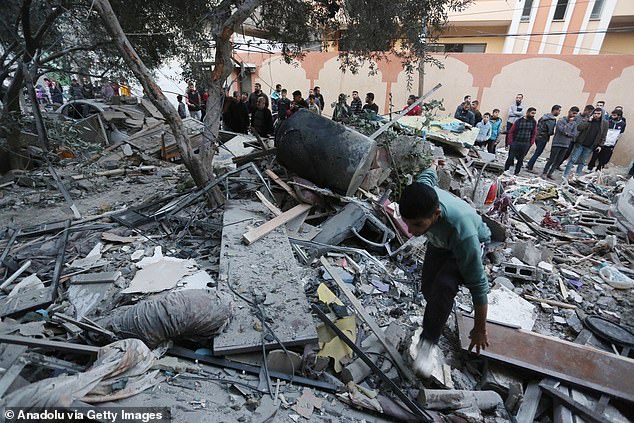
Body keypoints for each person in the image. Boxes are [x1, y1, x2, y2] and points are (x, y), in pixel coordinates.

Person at [399, 159, 490, 378]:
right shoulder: (424, 194)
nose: (410, 231)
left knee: (444, 286)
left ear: (436, 215)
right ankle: (440, 314)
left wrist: (479, 329)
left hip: (470, 239)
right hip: (440, 241)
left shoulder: (463, 234)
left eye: (417, 225)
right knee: (429, 289)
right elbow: (427, 177)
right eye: (407, 223)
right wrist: (433, 164)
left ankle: (427, 345)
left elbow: (479, 285)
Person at [563, 108, 608, 179]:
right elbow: (579, 127)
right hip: (580, 143)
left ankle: (577, 176)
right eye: (595, 113)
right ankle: (565, 175)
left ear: (601, 114)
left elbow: (603, 135)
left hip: (590, 146)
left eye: (598, 114)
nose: (596, 115)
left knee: (582, 162)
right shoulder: (587, 119)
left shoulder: (604, 123)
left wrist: (600, 145)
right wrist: (588, 121)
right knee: (573, 159)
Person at [542, 107, 579, 179]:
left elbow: (574, 134)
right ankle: (544, 172)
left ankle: (550, 173)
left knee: (558, 160)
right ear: (569, 112)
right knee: (552, 159)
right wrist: (569, 125)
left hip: (566, 144)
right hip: (557, 143)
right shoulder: (561, 120)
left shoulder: (575, 123)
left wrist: (568, 134)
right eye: (573, 113)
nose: (574, 115)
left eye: (575, 114)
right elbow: (562, 130)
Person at [526, 105, 561, 172]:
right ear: (555, 110)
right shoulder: (551, 120)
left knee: (537, 152)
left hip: (537, 136)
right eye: (559, 111)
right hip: (543, 138)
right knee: (538, 152)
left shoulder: (544, 117)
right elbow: (550, 131)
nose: (559, 112)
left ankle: (529, 164)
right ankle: (530, 166)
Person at [505, 107, 537, 175]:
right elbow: (511, 131)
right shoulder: (519, 121)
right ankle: (505, 171)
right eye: (532, 113)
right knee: (510, 158)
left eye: (534, 114)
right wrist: (511, 142)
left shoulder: (534, 122)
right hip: (516, 142)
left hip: (525, 144)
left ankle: (516, 173)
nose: (533, 115)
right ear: (527, 112)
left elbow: (534, 133)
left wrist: (531, 143)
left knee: (520, 160)